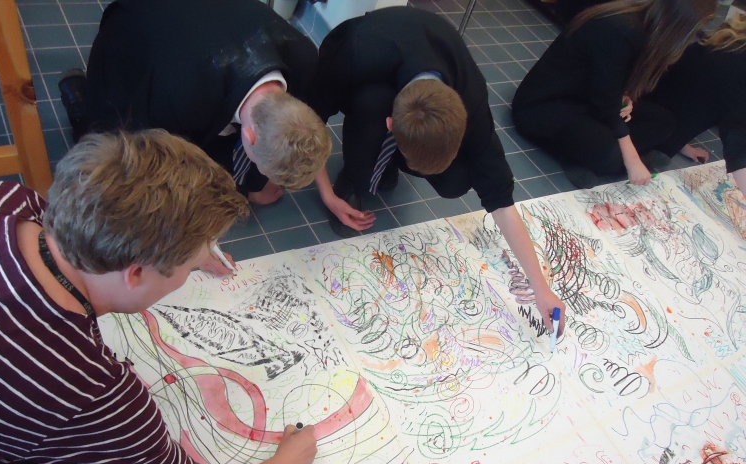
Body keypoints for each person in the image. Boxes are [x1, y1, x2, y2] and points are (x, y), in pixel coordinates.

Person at [0, 130, 318, 464]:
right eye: (188, 267)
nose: (191, 274)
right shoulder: (86, 387)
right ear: (136, 272)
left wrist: (183, 249)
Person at [307, 6, 565, 334]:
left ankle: (387, 164)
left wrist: (541, 289)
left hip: (418, 71)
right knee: (369, 101)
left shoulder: (471, 96)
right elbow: (310, 120)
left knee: (456, 181)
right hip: (371, 74)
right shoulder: (355, 52)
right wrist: (328, 195)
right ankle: (359, 174)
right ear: (391, 125)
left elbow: (501, 199)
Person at [61, 0, 330, 207]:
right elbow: (162, 164)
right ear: (249, 135)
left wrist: (253, 187)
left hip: (211, 23)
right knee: (116, 157)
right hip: (135, 24)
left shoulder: (304, 56)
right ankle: (81, 107)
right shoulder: (181, 101)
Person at [512, 0, 717, 189]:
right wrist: (632, 160)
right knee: (607, 153)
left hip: (583, 99)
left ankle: (591, 155)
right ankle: (577, 157)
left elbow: (609, 81)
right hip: (544, 106)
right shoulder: (620, 30)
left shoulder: (642, 24)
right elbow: (605, 103)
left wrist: (625, 97)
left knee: (664, 122)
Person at [647, 14, 746, 193]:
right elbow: (737, 143)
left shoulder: (724, 45)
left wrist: (682, 144)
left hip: (645, 118)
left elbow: (687, 95)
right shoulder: (738, 69)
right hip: (643, 138)